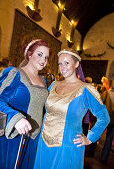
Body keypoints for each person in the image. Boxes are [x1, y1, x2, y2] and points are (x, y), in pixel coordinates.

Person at [34, 48, 110, 169]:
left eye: (67, 63)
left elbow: (104, 117)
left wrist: (90, 138)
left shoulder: (86, 90)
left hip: (67, 147)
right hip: (44, 143)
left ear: (76, 64)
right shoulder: (53, 85)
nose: (62, 67)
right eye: (60, 63)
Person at [0, 39, 52, 169]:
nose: (43, 60)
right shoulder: (15, 73)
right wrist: (16, 118)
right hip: (13, 137)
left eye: (46, 57)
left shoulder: (44, 81)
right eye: (39, 54)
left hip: (34, 139)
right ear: (29, 54)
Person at [101, 80, 114, 163]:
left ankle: (90, 151)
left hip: (107, 119)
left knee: (105, 136)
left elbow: (100, 103)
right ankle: (104, 157)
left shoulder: (107, 93)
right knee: (109, 138)